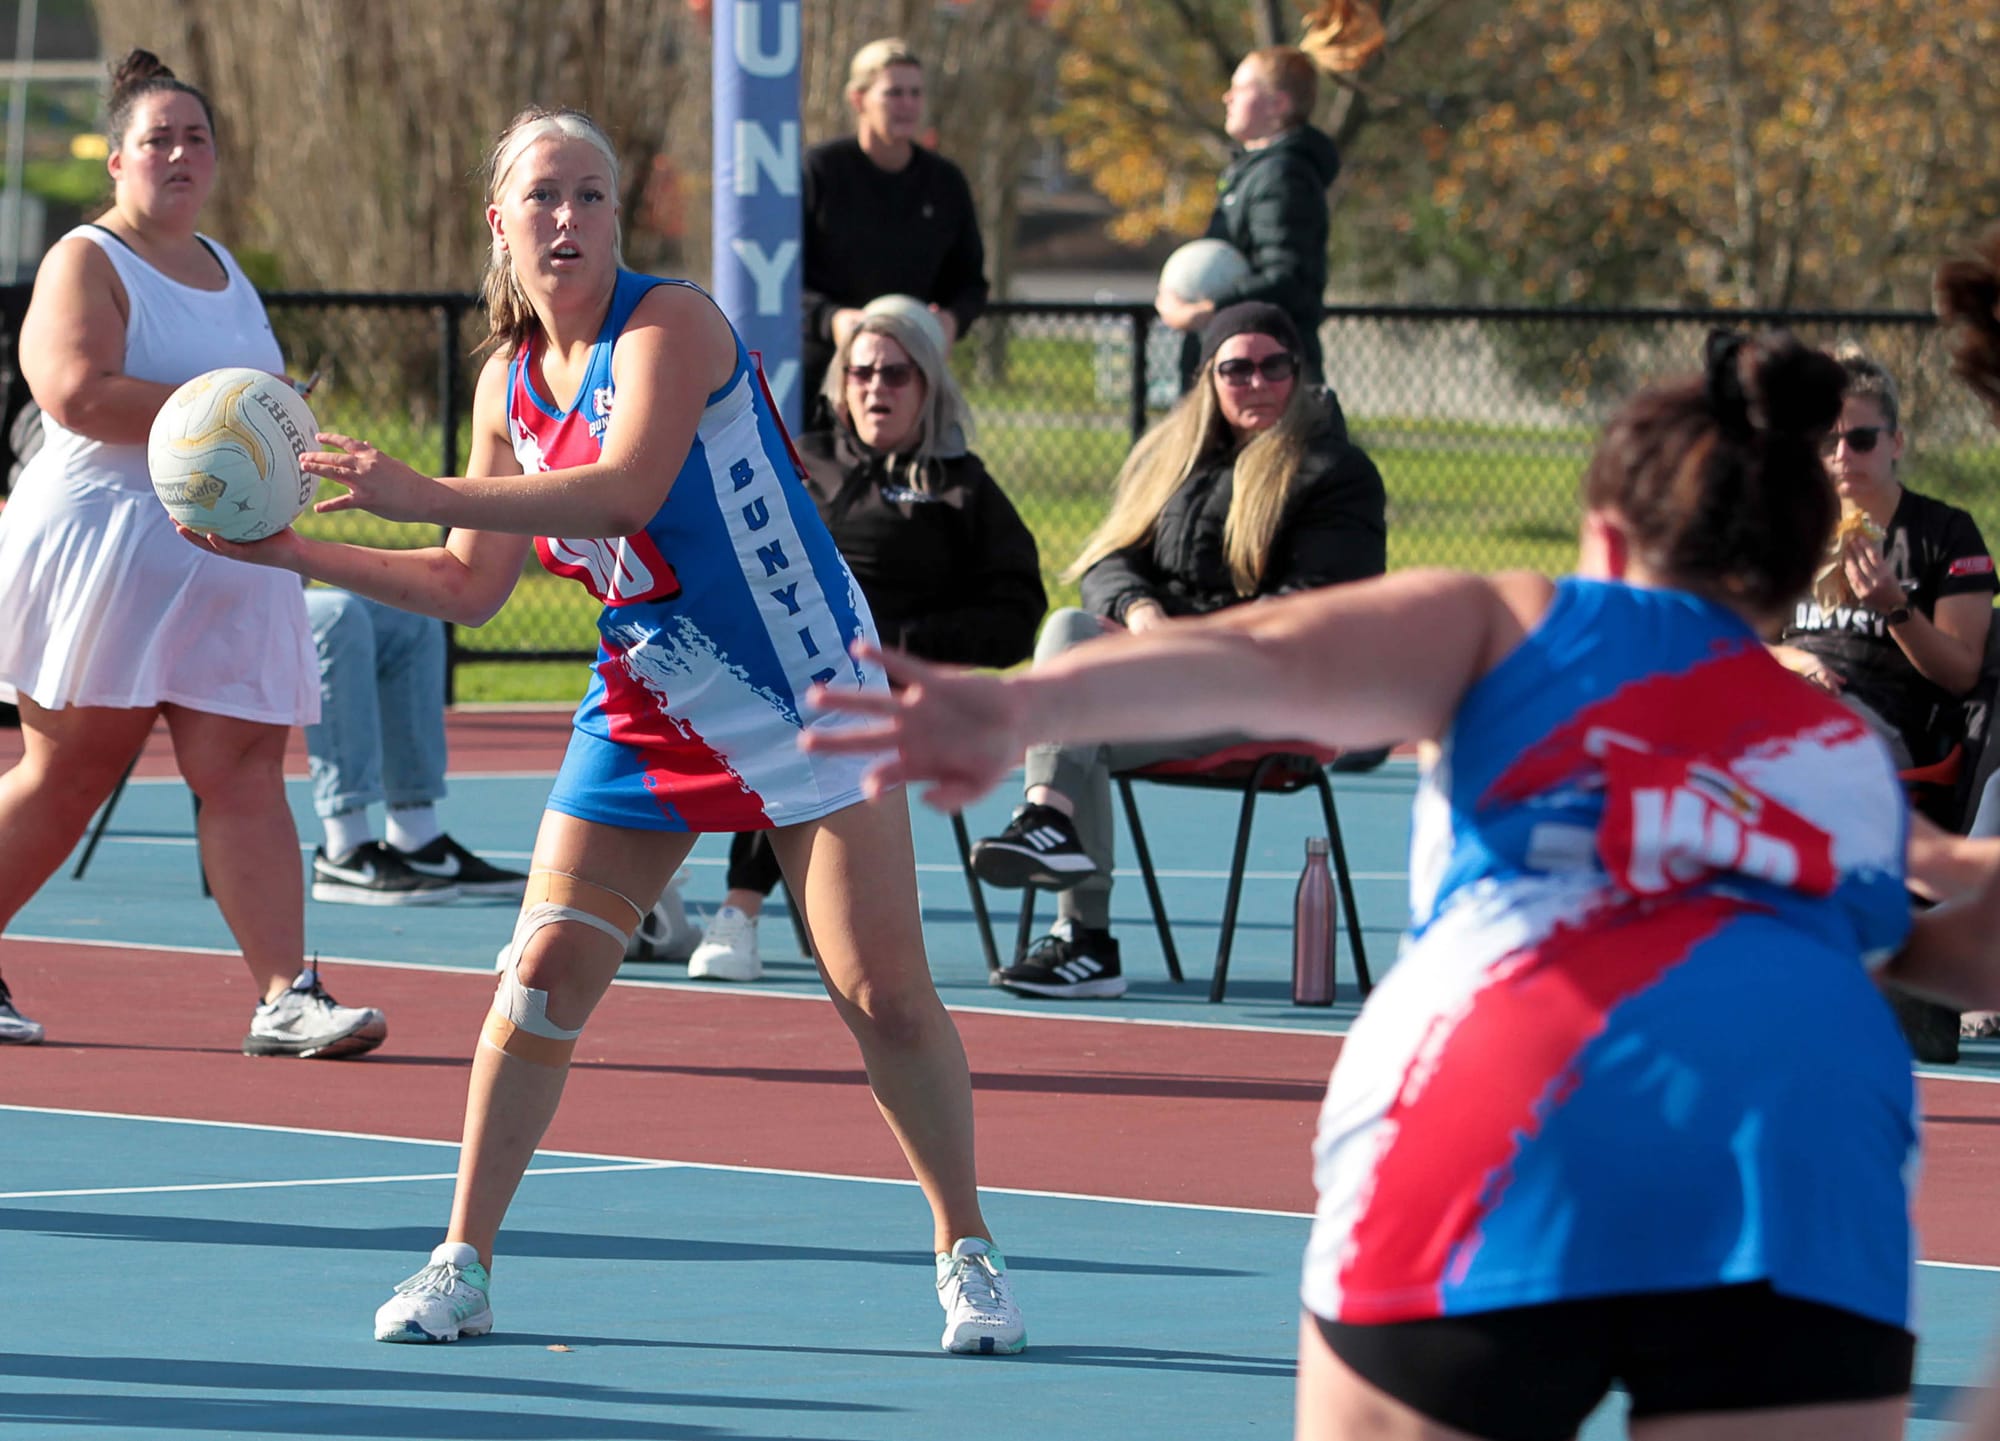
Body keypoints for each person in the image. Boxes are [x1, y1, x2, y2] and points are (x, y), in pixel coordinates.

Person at [806, 329, 2000, 1438]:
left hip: (1500, 1120)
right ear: (1798, 562)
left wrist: (1023, 706)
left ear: (1600, 525)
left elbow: (1274, 657)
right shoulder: (1842, 755)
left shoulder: (1520, 622)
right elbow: (1936, 951)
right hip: (1794, 1154)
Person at [182, 106, 1024, 1356]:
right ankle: (460, 1261)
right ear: (500, 225)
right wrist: (291, 547)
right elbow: (471, 583)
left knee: (879, 991)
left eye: (590, 195)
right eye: (543, 198)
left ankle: (968, 1252)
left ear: (617, 217)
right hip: (655, 685)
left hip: (804, 681)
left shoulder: (670, 325)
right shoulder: (505, 382)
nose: (567, 218)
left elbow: (626, 486)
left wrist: (418, 488)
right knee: (539, 972)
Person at [0, 50, 385, 1057]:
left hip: (227, 552)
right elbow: (75, 391)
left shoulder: (223, 267)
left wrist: (281, 432)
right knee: (69, 773)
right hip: (107, 542)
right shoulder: (88, 257)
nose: (179, 153)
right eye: (158, 138)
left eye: (196, 137)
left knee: (246, 765)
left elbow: (252, 407)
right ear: (118, 161)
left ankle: (286, 994)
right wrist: (230, 415)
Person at [967, 302, 1384, 999]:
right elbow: (1108, 561)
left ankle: (1071, 898)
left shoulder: (1335, 472)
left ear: (1298, 372)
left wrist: (1180, 643)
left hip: (1278, 696)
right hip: (1171, 684)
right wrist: (1141, 612)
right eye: (1236, 368)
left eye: (1273, 366)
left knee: (1075, 712)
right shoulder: (1176, 461)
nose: (1256, 382)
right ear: (1208, 380)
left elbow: (1311, 607)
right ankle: (1066, 879)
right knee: (1071, 633)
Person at [685, 301, 1045, 982]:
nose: (876, 387)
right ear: (840, 384)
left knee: (804, 722)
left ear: (927, 384)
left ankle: (739, 908)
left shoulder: (962, 486)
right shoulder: (796, 462)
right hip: (773, 665)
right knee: (662, 690)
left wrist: (903, 646)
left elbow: (1019, 611)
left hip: (890, 687)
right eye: (861, 373)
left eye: (896, 374)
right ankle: (644, 900)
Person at [1771, 348, 1996, 774]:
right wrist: (1793, 660)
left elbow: (1963, 673)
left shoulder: (1945, 532)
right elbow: (1743, 639)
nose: (1842, 455)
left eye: (1860, 440)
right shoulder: (1794, 528)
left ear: (1895, 442)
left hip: (1882, 721)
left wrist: (1894, 607)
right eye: (1826, 441)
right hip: (1786, 694)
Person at [799, 37, 987, 418]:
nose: (908, 104)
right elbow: (779, 276)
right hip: (823, 379)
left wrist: (951, 320)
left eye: (916, 93)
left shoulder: (945, 182)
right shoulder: (819, 171)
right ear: (859, 99)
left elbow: (970, 282)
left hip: (910, 382)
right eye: (894, 93)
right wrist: (830, 318)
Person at [303, 587, 529, 905]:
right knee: (337, 615)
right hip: (218, 605)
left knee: (409, 615)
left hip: (274, 588)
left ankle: (417, 838)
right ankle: (344, 847)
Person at [1157, 45, 1344, 388]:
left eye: (1241, 88)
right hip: (1245, 364)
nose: (1227, 97)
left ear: (1278, 104)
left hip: (1265, 373)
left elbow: (1287, 278)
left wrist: (1206, 310)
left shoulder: (1281, 176)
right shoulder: (1255, 172)